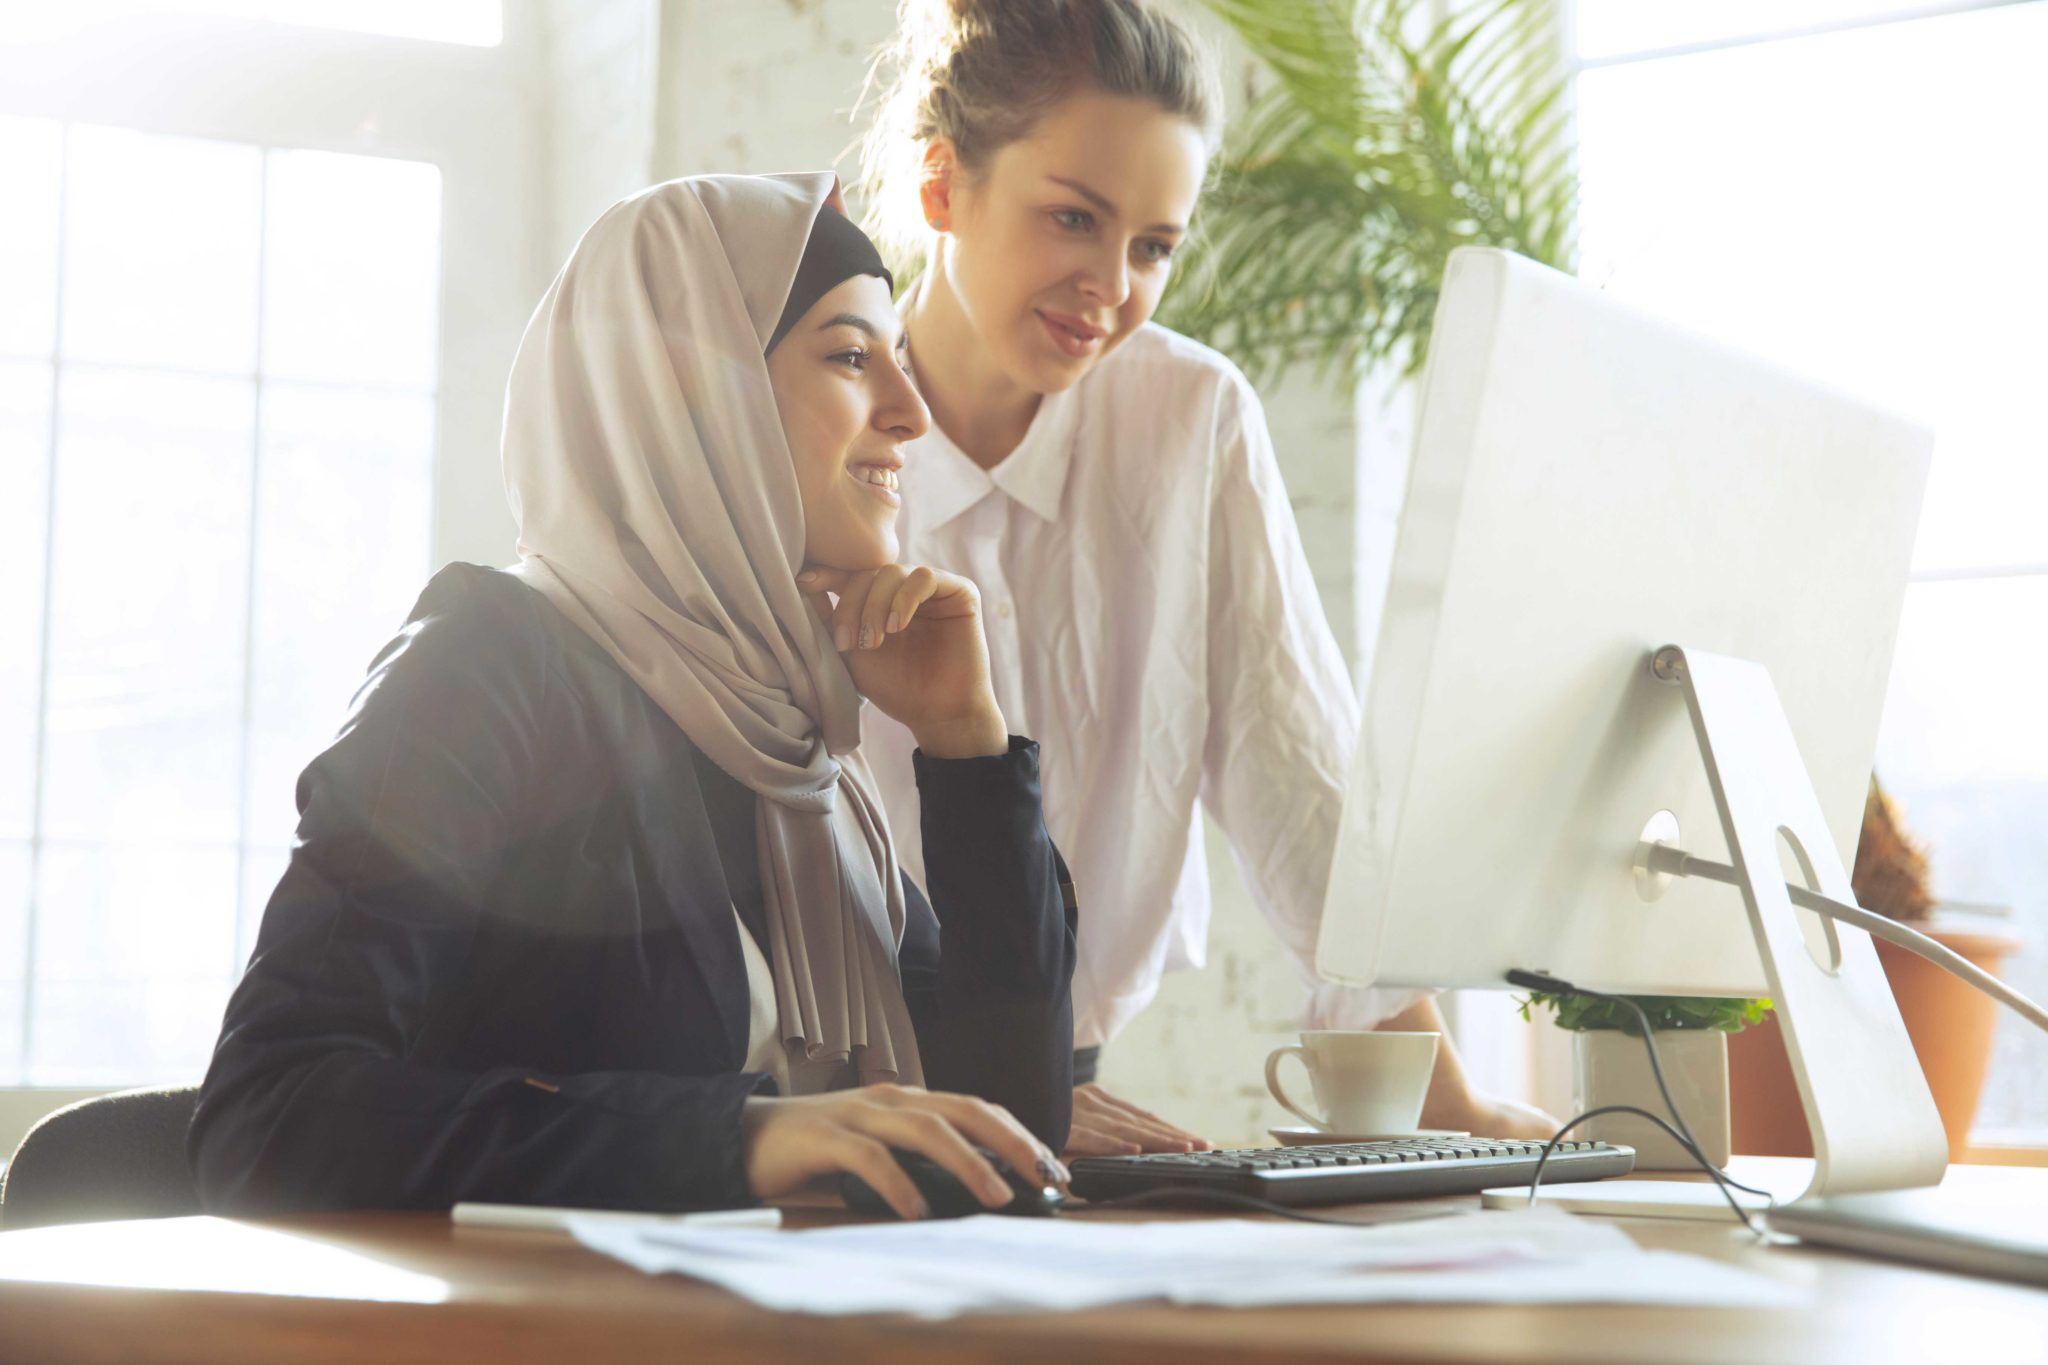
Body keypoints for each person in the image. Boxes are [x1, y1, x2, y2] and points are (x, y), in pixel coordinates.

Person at [187, 172, 1077, 1222]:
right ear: (696, 396)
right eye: (848, 355)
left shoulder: (794, 747)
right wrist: (736, 1140)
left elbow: (1003, 1133)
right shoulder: (491, 664)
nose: (911, 411)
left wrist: (963, 746)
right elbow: (268, 1119)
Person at [856, 0, 1558, 1154]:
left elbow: (1302, 772)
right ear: (941, 188)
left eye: (1152, 247)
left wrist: (1444, 1105)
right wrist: (993, 1086)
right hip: (837, 1100)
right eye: (1071, 218)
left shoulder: (1188, 419)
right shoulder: (817, 423)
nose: (1110, 285)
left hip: (1068, 1095)